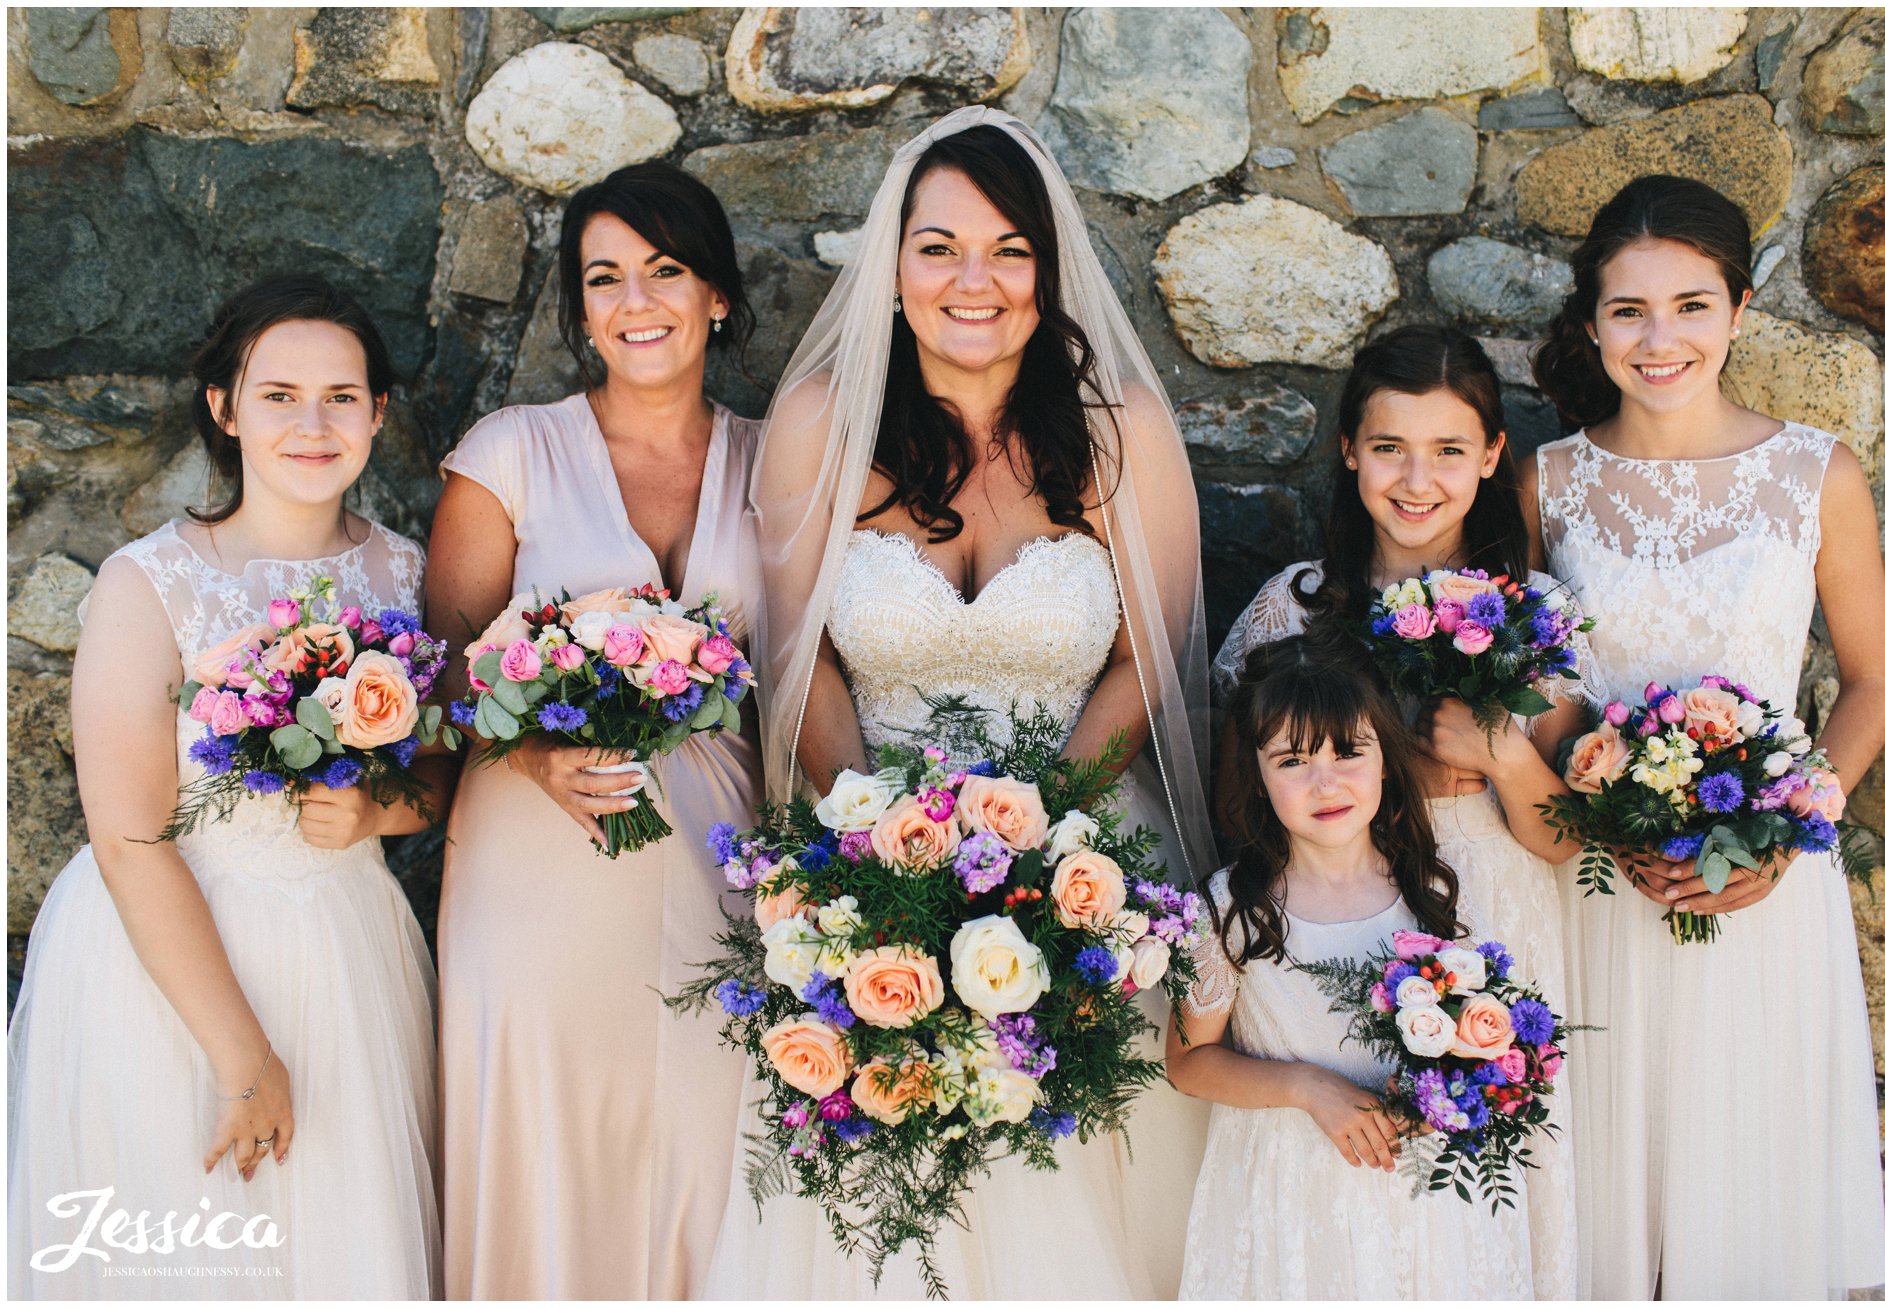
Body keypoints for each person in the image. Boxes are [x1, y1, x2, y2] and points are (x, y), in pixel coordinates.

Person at [704, 106, 1215, 1299]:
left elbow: (1150, 656)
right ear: (890, 271)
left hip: (1089, 867)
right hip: (867, 860)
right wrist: (888, 861)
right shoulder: (822, 426)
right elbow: (801, 663)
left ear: (1047, 273)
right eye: (937, 248)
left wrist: (1040, 850)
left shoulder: (1117, 434)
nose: (970, 280)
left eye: (1006, 250)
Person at [8, 273, 441, 1298]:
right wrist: (242, 1056)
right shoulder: (148, 583)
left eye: (341, 395)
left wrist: (382, 808)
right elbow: (129, 836)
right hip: (165, 969)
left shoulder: (410, 577)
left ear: (378, 412)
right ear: (225, 406)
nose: (311, 422)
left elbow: (446, 780)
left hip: (345, 950)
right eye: (278, 393)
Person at [1528, 173, 1885, 1299]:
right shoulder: (1545, 484)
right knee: (1608, 1194)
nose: (1660, 339)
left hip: (1766, 894)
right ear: (1591, 322)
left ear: (1738, 310)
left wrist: (1791, 830)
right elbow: (1537, 688)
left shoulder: (1813, 473)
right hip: (1601, 883)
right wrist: (1597, 809)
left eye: (1691, 305)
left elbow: (1873, 681)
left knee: (1750, 1195)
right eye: (1629, 310)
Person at [424, 161, 762, 1299]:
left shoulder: (784, 464)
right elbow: (440, 671)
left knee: (707, 1150)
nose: (636, 302)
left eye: (665, 271)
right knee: (547, 1142)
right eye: (604, 279)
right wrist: (532, 747)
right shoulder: (512, 452)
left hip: (721, 874)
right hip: (537, 868)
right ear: (578, 311)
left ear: (715, 294)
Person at [1210, 325, 1579, 1295]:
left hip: (1494, 912)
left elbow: (1559, 838)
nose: (1417, 480)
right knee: (1360, 1212)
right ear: (1347, 450)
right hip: (1335, 932)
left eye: (1450, 450)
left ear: (1493, 457)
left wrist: (1501, 756)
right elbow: (1235, 800)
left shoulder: (1532, 611)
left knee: (1477, 1201)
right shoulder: (1291, 609)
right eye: (1388, 448)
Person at [1171, 633, 1533, 1298]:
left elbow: (1476, 1043)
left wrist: (1447, 1089)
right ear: (1256, 774)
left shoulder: (1436, 892)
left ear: (1386, 759)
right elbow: (1188, 1062)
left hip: (1419, 1195)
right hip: (1290, 1198)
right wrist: (1308, 1086)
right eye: (1292, 760)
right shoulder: (1235, 908)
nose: (1325, 781)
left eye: (1348, 750)